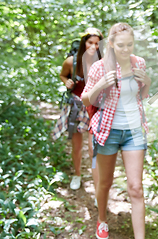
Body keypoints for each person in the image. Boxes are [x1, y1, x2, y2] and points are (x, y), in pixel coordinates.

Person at [82, 22, 151, 239]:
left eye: (130, 44)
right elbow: (86, 99)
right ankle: (102, 219)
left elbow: (141, 96)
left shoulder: (139, 62)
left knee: (136, 188)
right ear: (111, 44)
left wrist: (147, 83)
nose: (125, 49)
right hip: (107, 131)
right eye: (121, 45)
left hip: (133, 132)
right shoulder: (99, 67)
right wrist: (100, 84)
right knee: (105, 183)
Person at [53, 27, 104, 191]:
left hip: (95, 107)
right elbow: (63, 75)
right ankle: (77, 174)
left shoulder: (103, 62)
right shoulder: (71, 62)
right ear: (84, 42)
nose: (94, 46)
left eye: (97, 43)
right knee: (76, 146)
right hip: (76, 106)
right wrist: (65, 81)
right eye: (90, 42)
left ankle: (98, 190)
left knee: (93, 149)